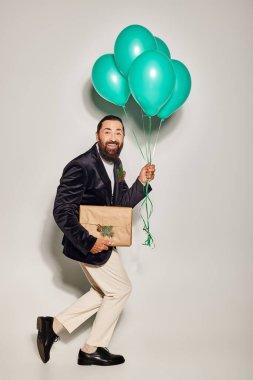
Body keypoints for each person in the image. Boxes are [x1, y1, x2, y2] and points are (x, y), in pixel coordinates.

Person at [36, 115, 156, 366]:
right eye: (107, 132)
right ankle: (91, 349)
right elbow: (62, 211)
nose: (113, 137)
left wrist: (141, 182)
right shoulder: (80, 166)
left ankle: (53, 326)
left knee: (104, 293)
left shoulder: (117, 165)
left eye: (118, 133)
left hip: (104, 241)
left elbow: (120, 206)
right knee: (120, 290)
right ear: (97, 135)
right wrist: (89, 241)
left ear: (123, 138)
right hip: (88, 244)